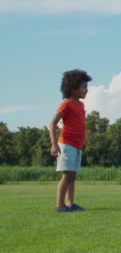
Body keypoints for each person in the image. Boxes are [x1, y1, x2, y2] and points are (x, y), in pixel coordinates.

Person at [49, 69, 92, 212]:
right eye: (84, 87)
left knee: (72, 176)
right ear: (73, 88)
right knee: (67, 176)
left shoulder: (81, 105)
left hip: (77, 146)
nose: (87, 90)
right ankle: (59, 206)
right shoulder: (66, 104)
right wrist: (54, 144)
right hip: (66, 145)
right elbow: (52, 123)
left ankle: (70, 204)